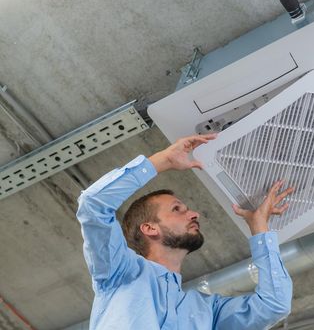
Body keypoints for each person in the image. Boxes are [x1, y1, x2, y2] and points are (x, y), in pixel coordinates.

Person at [76, 134, 294, 330]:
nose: (194, 214)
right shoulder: (119, 270)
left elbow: (273, 305)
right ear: (150, 228)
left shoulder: (208, 311)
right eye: (177, 209)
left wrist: (259, 229)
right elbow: (93, 204)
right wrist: (163, 161)